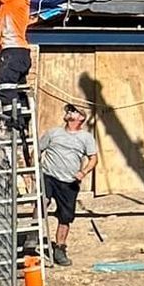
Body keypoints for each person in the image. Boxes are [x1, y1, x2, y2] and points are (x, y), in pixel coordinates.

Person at [37, 104, 98, 266]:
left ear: (81, 118)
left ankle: (60, 248)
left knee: (65, 217)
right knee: (43, 201)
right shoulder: (53, 133)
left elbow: (93, 159)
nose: (69, 112)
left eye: (74, 111)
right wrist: (33, 169)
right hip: (49, 175)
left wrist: (83, 172)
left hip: (69, 182)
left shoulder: (86, 138)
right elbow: (37, 150)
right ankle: (33, 233)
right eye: (69, 110)